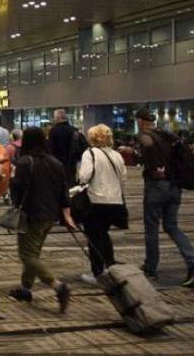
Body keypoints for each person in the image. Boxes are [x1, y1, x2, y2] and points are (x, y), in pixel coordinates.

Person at [8, 127, 75, 312]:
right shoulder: (55, 162)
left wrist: (11, 178)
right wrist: (67, 215)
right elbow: (64, 191)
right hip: (50, 215)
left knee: (27, 255)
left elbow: (17, 189)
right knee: (33, 253)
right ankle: (25, 289)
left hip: (31, 214)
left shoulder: (24, 162)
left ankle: (58, 286)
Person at [135, 108, 194, 285]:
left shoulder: (145, 135)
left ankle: (151, 268)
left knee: (151, 228)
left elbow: (147, 147)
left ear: (140, 121)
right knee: (171, 226)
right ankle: (192, 261)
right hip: (175, 186)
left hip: (157, 186)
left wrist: (154, 165)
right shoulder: (168, 134)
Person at [78, 124, 128, 285]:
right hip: (114, 201)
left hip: (96, 200)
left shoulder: (90, 153)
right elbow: (123, 178)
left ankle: (97, 272)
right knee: (104, 234)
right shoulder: (116, 155)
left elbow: (84, 176)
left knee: (94, 237)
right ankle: (110, 266)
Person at [49, 109, 87, 187]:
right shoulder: (74, 130)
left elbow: (51, 149)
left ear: (58, 118)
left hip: (57, 165)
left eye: (54, 117)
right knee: (71, 186)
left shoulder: (54, 131)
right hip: (72, 165)